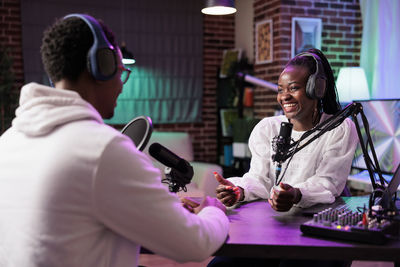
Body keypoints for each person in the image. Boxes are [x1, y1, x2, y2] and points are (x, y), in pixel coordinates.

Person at [0, 14, 229, 267]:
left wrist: (162, 212)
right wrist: (213, 211)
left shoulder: (8, 141)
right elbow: (194, 243)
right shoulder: (102, 148)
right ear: (103, 64)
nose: (121, 85)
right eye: (121, 72)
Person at [208, 48, 358, 267]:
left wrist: (297, 194)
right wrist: (238, 190)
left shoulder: (339, 128)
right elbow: (259, 179)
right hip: (275, 224)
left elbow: (329, 183)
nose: (284, 96)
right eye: (280, 90)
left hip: (316, 226)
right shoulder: (267, 129)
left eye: (294, 88)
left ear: (316, 89)